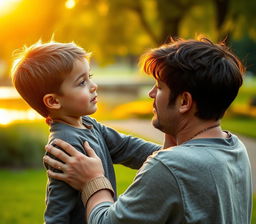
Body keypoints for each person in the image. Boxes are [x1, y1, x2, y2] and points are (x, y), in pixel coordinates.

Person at [44, 37, 253, 224]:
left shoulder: (170, 167)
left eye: (160, 87)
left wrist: (92, 180)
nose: (152, 93)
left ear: (184, 102)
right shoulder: (235, 149)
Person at [11, 42, 161, 224]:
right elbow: (57, 208)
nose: (93, 86)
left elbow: (127, 148)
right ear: (53, 101)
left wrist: (172, 154)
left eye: (89, 77)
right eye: (82, 82)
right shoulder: (63, 145)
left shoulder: (89, 124)